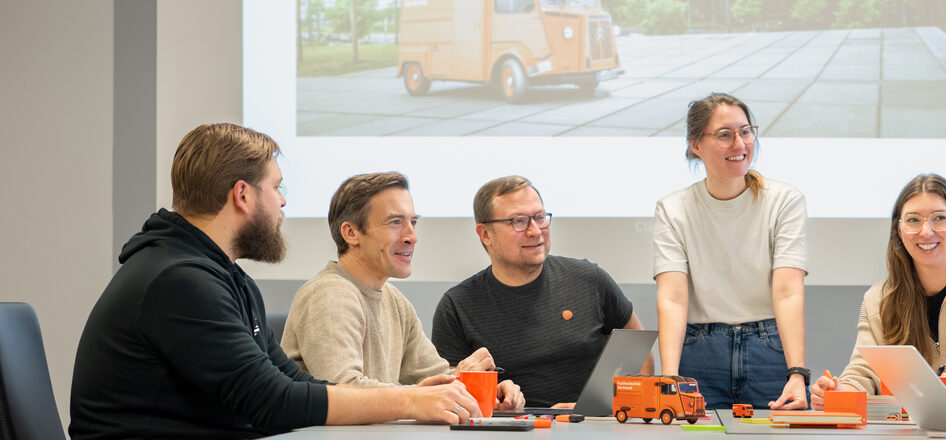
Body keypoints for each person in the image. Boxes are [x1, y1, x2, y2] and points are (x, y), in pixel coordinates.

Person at [70, 124, 481, 440]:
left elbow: (293, 382)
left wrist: (407, 397)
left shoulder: (225, 277)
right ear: (243, 195)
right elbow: (272, 403)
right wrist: (407, 399)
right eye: (277, 187)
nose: (283, 201)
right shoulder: (177, 281)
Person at [280, 172, 523, 408]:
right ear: (351, 233)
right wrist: (426, 395)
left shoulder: (394, 299)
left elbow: (433, 375)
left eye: (413, 222)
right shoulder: (329, 295)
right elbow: (343, 392)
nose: (412, 236)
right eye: (396, 222)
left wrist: (482, 388)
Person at [810, 174, 946, 410]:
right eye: (913, 220)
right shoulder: (877, 300)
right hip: (903, 432)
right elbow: (864, 372)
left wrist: (913, 394)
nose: (926, 232)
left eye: (939, 218)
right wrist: (840, 391)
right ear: (899, 230)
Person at [432, 176, 651, 408]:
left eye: (539, 217)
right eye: (518, 221)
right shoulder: (457, 306)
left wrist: (597, 409)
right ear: (485, 234)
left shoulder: (590, 280)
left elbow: (640, 358)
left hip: (588, 425)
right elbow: (454, 394)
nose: (535, 231)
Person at [653, 93, 809, 409]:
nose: (740, 144)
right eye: (725, 135)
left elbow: (788, 292)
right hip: (700, 350)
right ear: (696, 145)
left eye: (746, 131)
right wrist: (669, 378)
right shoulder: (673, 209)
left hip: (768, 348)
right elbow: (673, 298)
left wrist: (797, 373)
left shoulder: (784, 201)